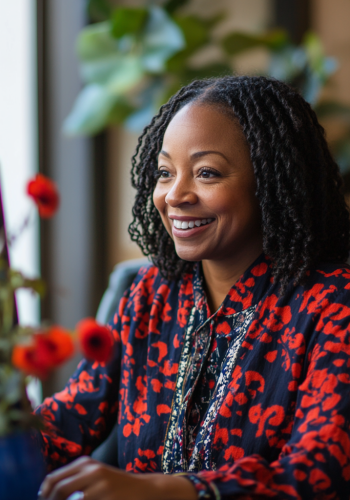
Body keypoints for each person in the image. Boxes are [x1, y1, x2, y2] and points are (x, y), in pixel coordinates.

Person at [36, 76, 350, 500]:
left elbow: (318, 474)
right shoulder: (150, 294)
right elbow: (72, 419)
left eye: (207, 173)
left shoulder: (332, 303)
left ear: (272, 181)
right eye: (165, 173)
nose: (175, 195)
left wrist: (171, 491)